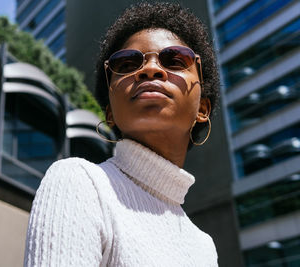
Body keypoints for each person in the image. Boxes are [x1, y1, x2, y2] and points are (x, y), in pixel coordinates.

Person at [25, 2, 220, 266]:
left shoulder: (204, 246)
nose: (150, 69)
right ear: (110, 114)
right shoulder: (81, 183)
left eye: (174, 60)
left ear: (203, 109)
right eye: (127, 64)